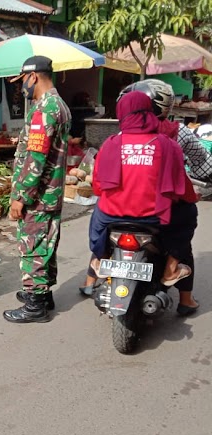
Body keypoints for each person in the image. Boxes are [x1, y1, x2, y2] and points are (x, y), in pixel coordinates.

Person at [79, 79, 202, 315]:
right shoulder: (168, 144)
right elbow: (182, 188)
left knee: (98, 216)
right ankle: (172, 269)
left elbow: (97, 187)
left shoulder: (111, 144)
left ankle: (100, 259)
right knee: (187, 216)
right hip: (154, 218)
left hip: (113, 216)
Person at [3, 56, 72, 324]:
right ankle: (42, 294)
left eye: (22, 82)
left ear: (33, 77)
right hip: (51, 192)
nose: (22, 88)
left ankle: (35, 306)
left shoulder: (45, 108)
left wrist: (21, 197)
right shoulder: (59, 105)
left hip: (39, 195)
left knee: (32, 246)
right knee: (46, 244)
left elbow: (36, 159)